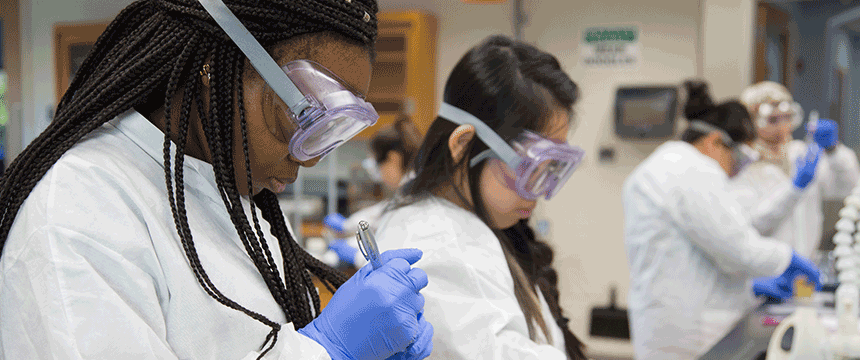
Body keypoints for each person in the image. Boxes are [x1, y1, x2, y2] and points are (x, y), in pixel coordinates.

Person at [0, 0, 433, 359]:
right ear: (214, 63)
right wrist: (328, 350)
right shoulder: (77, 212)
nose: (312, 157)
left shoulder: (226, 194)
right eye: (306, 114)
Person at [375, 35, 588, 359]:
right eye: (529, 168)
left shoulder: (477, 223)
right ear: (463, 146)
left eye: (551, 171)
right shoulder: (431, 242)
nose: (540, 191)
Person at [622, 80, 822, 359]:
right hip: (684, 330)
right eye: (739, 157)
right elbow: (738, 247)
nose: (738, 168)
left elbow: (705, 254)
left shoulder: (671, 166)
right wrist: (788, 259)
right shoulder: (689, 169)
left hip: (678, 319)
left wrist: (751, 288)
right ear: (714, 141)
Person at [730, 81, 860, 259]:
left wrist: (833, 150)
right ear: (751, 121)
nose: (782, 126)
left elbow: (847, 187)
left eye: (787, 116)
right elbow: (752, 223)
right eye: (772, 119)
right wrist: (794, 189)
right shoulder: (741, 164)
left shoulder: (801, 154)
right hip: (765, 272)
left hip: (806, 265)